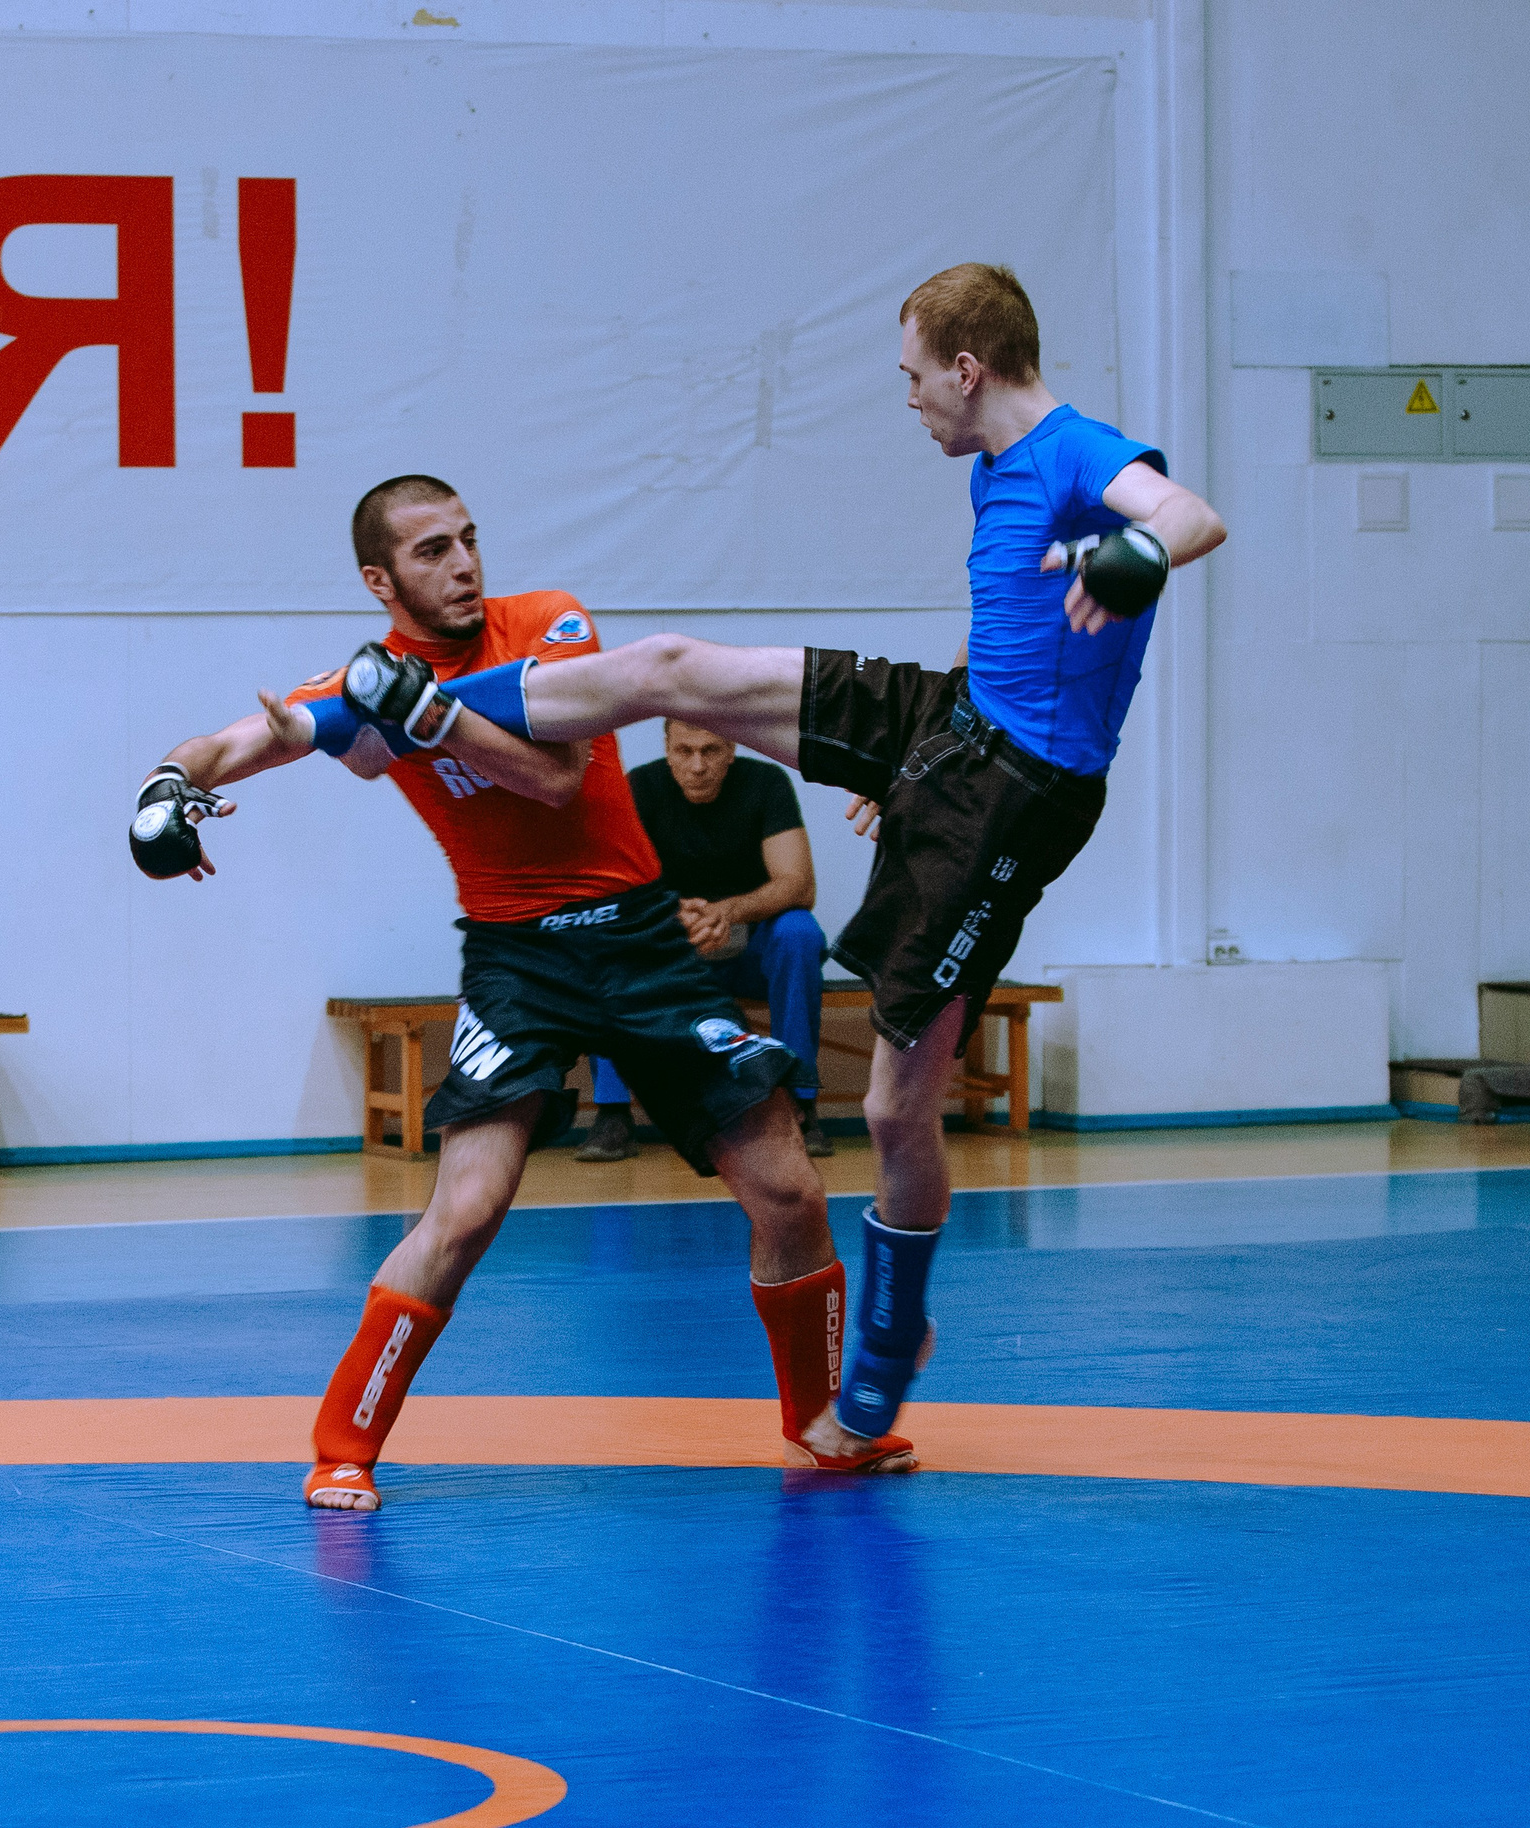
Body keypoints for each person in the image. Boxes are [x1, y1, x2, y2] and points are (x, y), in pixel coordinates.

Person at [342, 266, 1225, 1469]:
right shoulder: (992, 474)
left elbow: (1187, 517)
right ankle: (422, 703)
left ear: (967, 369)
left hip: (1014, 796)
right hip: (950, 729)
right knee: (668, 667)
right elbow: (1005, 631)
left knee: (893, 1105)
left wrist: (1133, 557)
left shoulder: (1080, 452)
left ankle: (894, 1326)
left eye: (912, 374)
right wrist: (905, 766)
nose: (907, 398)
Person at [128, 474, 915, 1510]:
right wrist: (168, 791)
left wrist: (424, 716)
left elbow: (553, 774)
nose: (461, 565)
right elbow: (239, 740)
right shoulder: (366, 682)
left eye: (467, 540)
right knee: (467, 1207)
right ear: (380, 579)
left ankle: (819, 1429)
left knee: (787, 1190)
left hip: (640, 941)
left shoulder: (549, 623)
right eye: (430, 552)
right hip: (514, 960)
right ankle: (342, 1445)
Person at [579, 720, 831, 1163]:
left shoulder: (766, 783)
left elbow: (799, 886)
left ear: (731, 748)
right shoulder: (641, 786)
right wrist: (672, 918)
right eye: (685, 751)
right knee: (605, 939)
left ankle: (800, 1102)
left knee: (799, 932)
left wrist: (725, 912)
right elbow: (612, 889)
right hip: (672, 956)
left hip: (750, 950)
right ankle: (613, 1114)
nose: (698, 766)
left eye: (711, 751)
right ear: (668, 750)